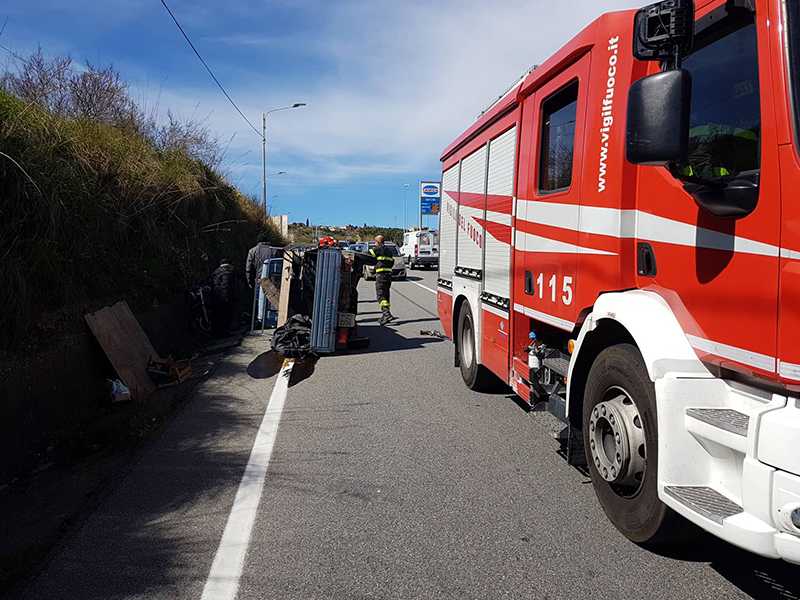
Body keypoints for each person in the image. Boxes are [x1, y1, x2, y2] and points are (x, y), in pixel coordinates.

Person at [369, 235, 396, 325]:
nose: (375, 244)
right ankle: (385, 315)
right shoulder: (389, 250)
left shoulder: (378, 248)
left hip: (381, 275)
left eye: (375, 242)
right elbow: (392, 262)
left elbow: (368, 255)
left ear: (378, 242)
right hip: (388, 275)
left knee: (381, 295)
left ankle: (386, 314)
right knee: (386, 295)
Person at [210, 258, 237, 336]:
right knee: (226, 316)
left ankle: (217, 332)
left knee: (217, 316)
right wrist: (227, 298)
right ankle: (224, 333)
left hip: (215, 297)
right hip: (225, 297)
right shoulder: (227, 272)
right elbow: (226, 286)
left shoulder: (216, 271)